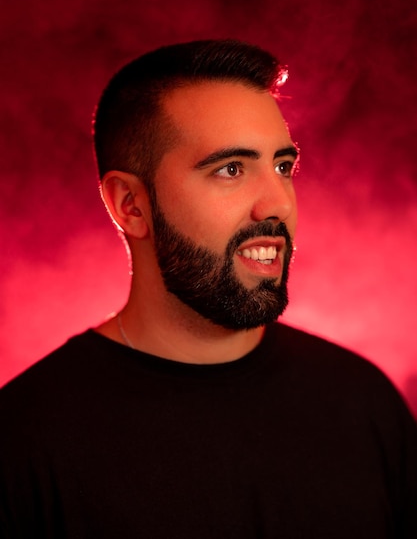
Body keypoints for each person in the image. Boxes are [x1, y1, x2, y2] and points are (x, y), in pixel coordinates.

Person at [0, 39, 416, 538]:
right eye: (231, 170)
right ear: (130, 204)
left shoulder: (362, 402)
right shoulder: (24, 440)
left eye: (283, 167)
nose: (277, 204)